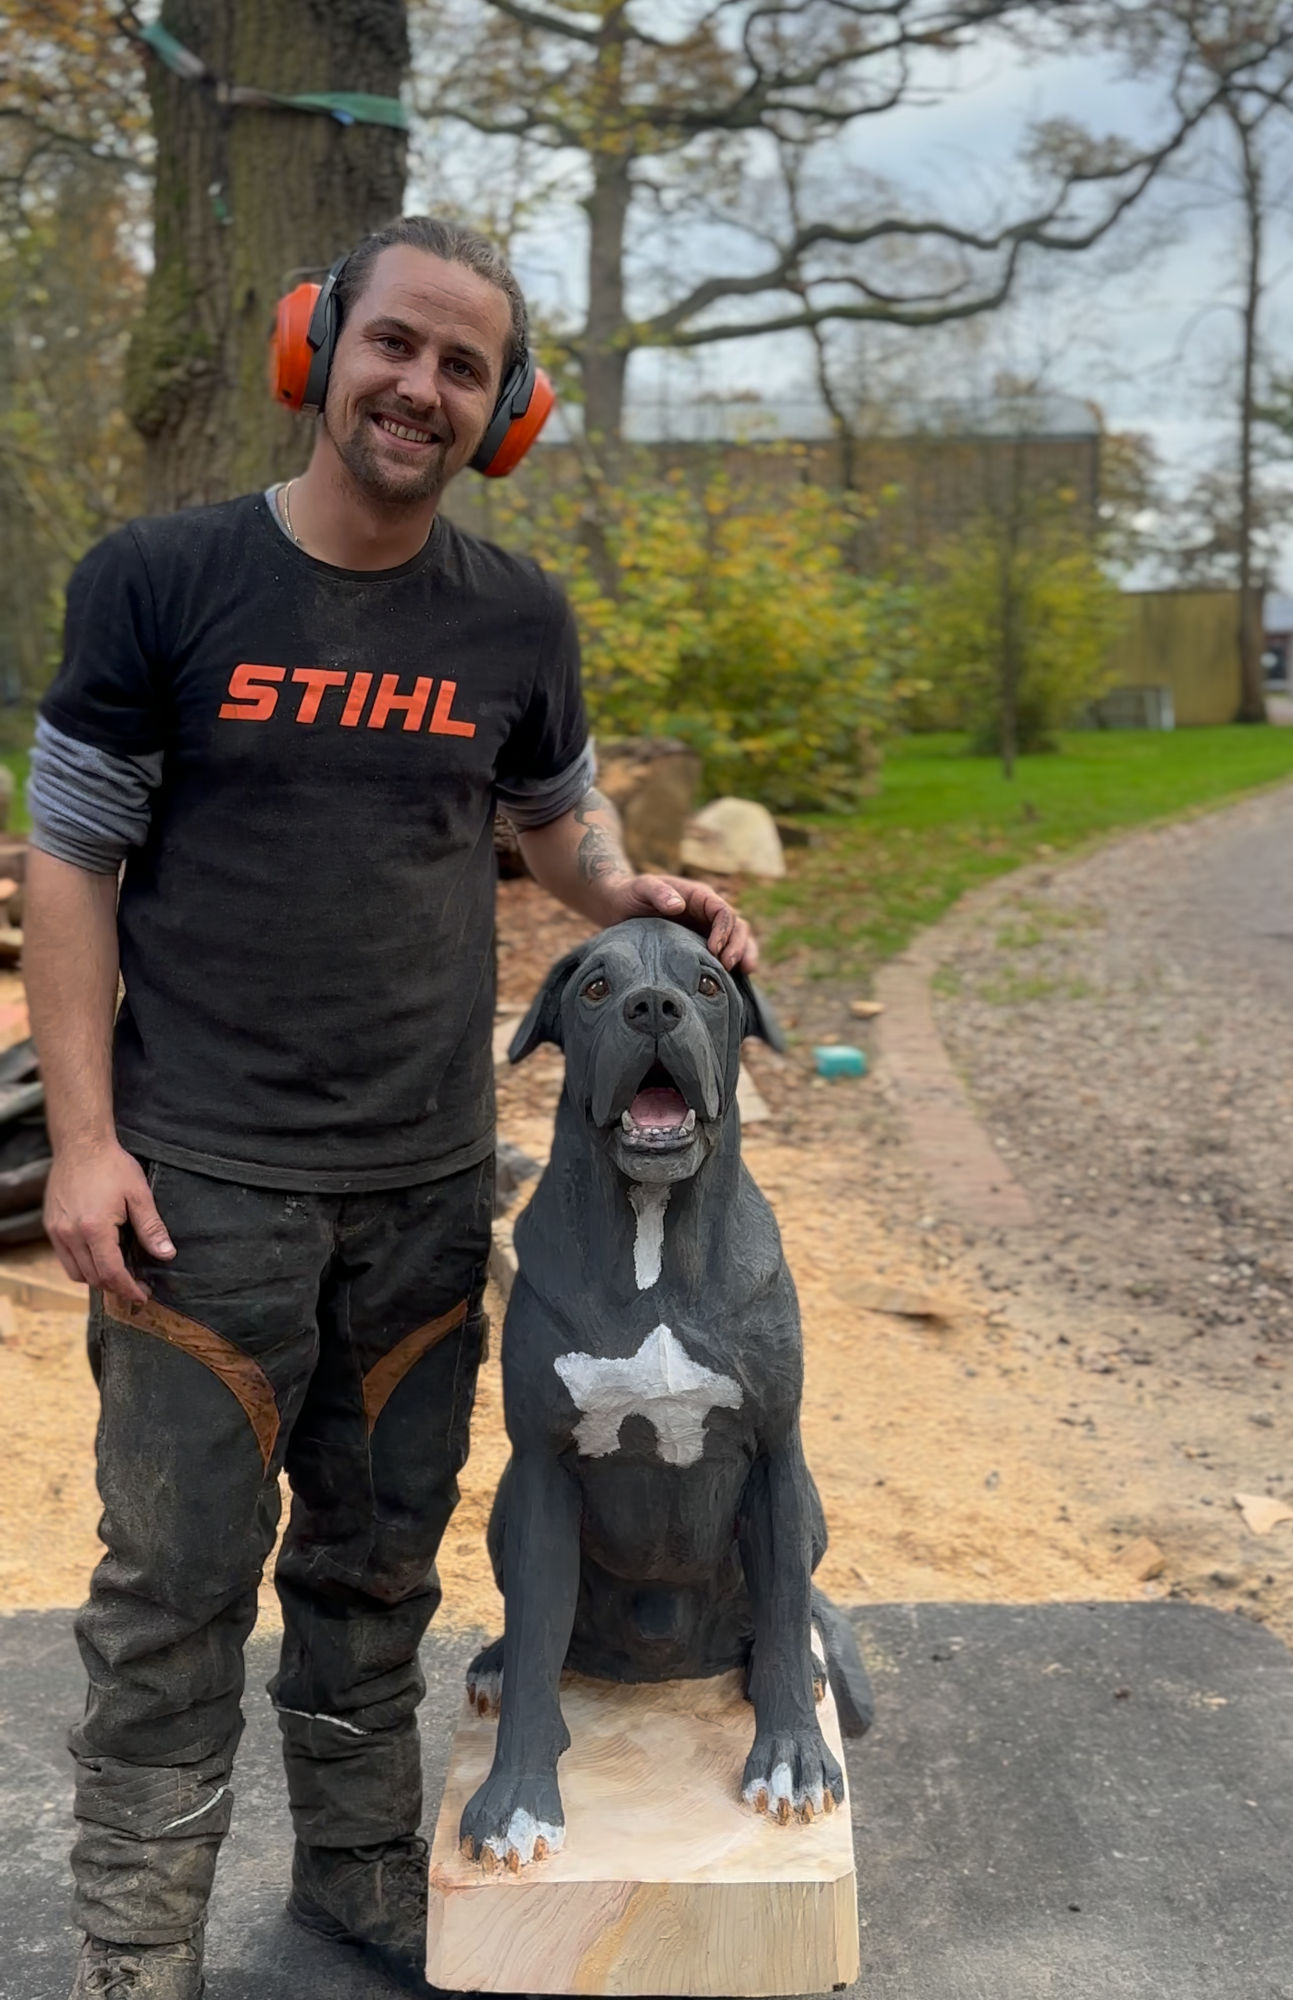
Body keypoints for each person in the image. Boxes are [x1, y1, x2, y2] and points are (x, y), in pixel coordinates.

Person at [24, 214, 755, 2000]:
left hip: (430, 1186)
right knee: (173, 1593)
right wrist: (88, 1138)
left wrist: (642, 900)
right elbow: (69, 860)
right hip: (203, 1189)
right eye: (396, 346)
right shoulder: (160, 579)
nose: (421, 387)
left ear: (506, 410)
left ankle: (358, 1887)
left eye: (465, 367)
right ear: (317, 346)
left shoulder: (516, 617)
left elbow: (553, 824)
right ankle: (138, 1949)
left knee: (379, 1573)